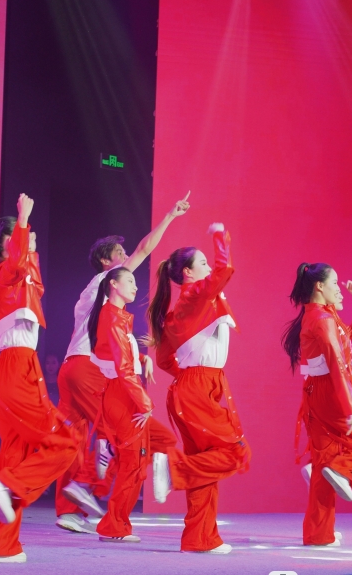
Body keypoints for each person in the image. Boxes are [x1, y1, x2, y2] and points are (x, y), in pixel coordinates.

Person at [54, 193, 190, 534]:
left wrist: (140, 356)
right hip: (89, 369)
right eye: (119, 254)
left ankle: (69, 511)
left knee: (72, 441)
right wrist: (170, 217)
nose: (127, 258)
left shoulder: (94, 295)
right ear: (107, 263)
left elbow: (110, 340)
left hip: (71, 369)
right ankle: (87, 486)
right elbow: (144, 248)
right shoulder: (107, 282)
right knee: (118, 432)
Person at [0, 194, 78, 563]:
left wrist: (24, 237)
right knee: (66, 442)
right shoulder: (5, 272)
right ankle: (7, 485)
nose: (32, 239)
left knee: (15, 457)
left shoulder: (20, 274)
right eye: (26, 235)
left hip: (15, 371)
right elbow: (19, 261)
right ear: (8, 242)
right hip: (18, 370)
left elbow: (27, 265)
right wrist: (22, 218)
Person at [148, 223, 250, 555]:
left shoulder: (186, 306)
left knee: (205, 465)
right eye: (202, 263)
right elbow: (225, 270)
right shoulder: (195, 295)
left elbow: (164, 359)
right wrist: (220, 236)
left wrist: (188, 376)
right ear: (188, 273)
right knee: (235, 453)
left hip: (193, 386)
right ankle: (173, 468)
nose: (209, 268)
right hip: (197, 387)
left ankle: (199, 538)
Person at [281, 263, 352, 547]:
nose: (339, 288)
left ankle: (319, 535)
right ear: (319, 286)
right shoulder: (322, 319)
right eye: (335, 282)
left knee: (324, 465)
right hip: (331, 392)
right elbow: (337, 363)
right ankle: (343, 469)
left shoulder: (320, 314)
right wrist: (349, 406)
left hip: (317, 392)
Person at [86, 267, 178, 542]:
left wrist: (143, 359)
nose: (136, 287)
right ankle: (114, 527)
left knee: (163, 441)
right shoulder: (113, 318)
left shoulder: (117, 317)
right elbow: (123, 368)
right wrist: (145, 402)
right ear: (113, 285)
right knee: (133, 464)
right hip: (123, 395)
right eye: (130, 281)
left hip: (123, 392)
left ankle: (154, 471)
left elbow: (118, 355)